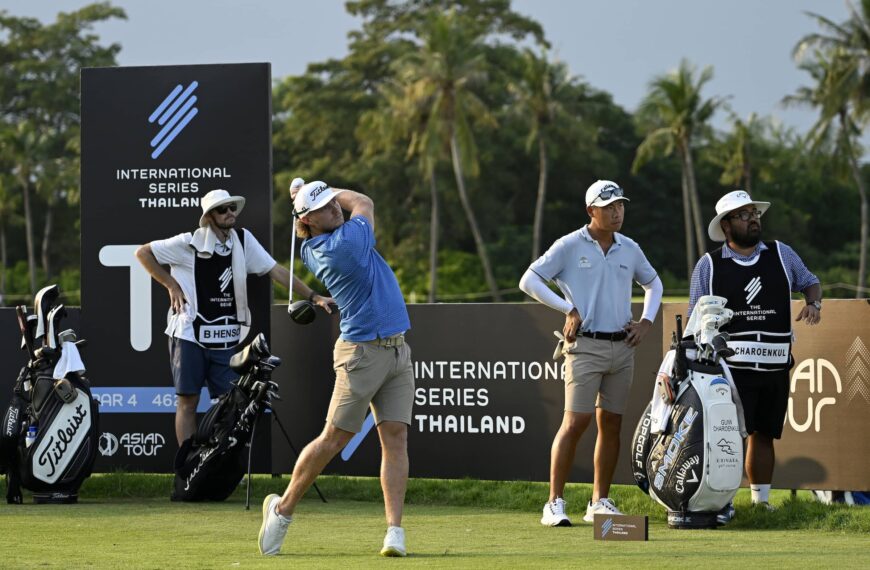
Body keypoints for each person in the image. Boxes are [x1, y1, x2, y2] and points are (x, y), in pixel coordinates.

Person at [258, 181, 414, 557]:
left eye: (333, 204)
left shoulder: (328, 235)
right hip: (361, 355)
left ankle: (394, 531)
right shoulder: (341, 246)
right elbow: (363, 199)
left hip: (397, 351)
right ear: (309, 220)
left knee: (395, 438)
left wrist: (312, 193)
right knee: (334, 439)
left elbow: (342, 207)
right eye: (326, 208)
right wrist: (326, 185)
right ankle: (282, 510)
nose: (336, 209)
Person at [135, 187, 332, 446]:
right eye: (222, 209)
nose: (230, 213)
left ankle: (216, 464)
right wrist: (171, 285)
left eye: (232, 208)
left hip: (226, 337)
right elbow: (143, 253)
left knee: (230, 403)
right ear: (209, 216)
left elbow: (277, 271)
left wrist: (314, 296)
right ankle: (186, 470)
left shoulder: (243, 240)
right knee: (188, 401)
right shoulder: (188, 242)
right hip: (187, 334)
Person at [519, 179, 663, 526]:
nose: (617, 212)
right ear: (591, 211)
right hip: (584, 346)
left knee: (611, 424)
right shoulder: (570, 245)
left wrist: (645, 322)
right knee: (576, 421)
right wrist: (567, 308)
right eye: (609, 206)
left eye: (620, 205)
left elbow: (653, 284)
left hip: (622, 346)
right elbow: (530, 280)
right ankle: (554, 502)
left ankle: (600, 502)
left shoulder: (629, 247)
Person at [689, 190, 821, 522]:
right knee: (727, 436)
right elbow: (696, 318)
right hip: (732, 367)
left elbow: (810, 282)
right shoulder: (709, 265)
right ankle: (723, 502)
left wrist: (813, 303)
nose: (753, 219)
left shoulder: (782, 254)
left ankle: (760, 503)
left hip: (775, 364)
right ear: (727, 224)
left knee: (764, 433)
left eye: (754, 214)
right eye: (744, 215)